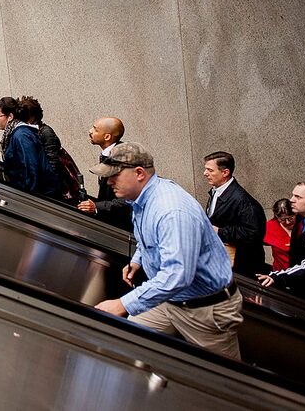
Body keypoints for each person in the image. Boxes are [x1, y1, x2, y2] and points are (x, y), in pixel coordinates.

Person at [93, 142, 242, 359]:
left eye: (114, 175)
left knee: (221, 374)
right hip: (168, 299)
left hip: (204, 309)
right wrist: (138, 259)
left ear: (139, 173)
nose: (109, 181)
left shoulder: (171, 211)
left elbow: (177, 275)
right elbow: (150, 236)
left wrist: (122, 304)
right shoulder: (142, 198)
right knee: (130, 341)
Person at [258, 182, 305, 306]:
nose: (291, 200)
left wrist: (279, 276)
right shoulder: (301, 218)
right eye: (293, 195)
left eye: (298, 197)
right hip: (300, 289)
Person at [203, 151, 267, 277]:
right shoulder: (216, 192)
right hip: (224, 264)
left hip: (242, 270)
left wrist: (219, 231)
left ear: (225, 172)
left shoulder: (244, 201)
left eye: (210, 170)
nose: (205, 173)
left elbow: (254, 233)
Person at [17, 96, 80, 203]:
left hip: (57, 185)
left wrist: (49, 186)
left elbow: (53, 161)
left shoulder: (45, 132)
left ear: (31, 117)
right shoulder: (32, 132)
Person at [0, 97, 58, 198]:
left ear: (10, 116)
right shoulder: (14, 134)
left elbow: (32, 168)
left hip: (37, 196)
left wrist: (28, 198)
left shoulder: (21, 135)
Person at [77, 117, 132, 231]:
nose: (90, 131)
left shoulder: (122, 160)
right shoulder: (109, 153)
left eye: (95, 129)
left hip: (121, 228)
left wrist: (97, 207)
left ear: (107, 137)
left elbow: (127, 201)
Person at [264, 198, 294, 272]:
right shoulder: (270, 226)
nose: (287, 222)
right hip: (281, 272)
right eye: (282, 220)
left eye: (290, 218)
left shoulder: (304, 223)